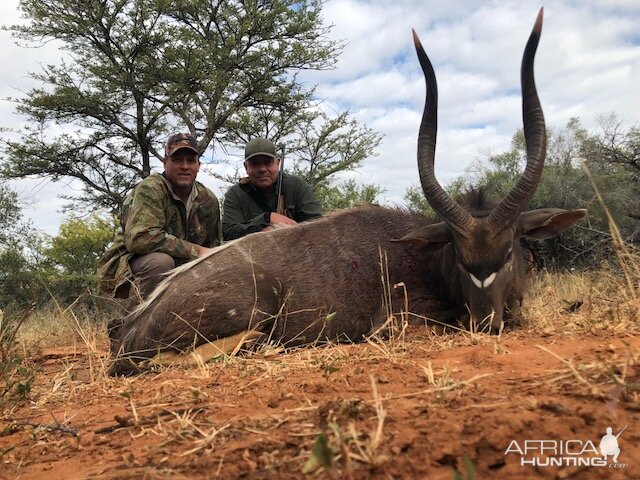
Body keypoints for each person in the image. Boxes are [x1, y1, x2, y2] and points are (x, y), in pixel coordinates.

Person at [98, 133, 222, 300]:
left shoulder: (208, 199)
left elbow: (214, 246)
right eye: (177, 160)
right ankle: (137, 322)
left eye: (191, 161)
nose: (185, 166)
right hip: (134, 260)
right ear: (165, 163)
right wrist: (197, 251)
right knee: (160, 263)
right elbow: (140, 239)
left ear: (198, 165)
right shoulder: (151, 189)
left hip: (186, 262)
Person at [222, 137, 323, 240]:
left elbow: (317, 227)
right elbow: (229, 233)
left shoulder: (297, 186)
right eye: (255, 163)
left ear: (278, 163)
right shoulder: (235, 194)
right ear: (246, 167)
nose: (262, 169)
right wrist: (267, 219)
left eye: (268, 162)